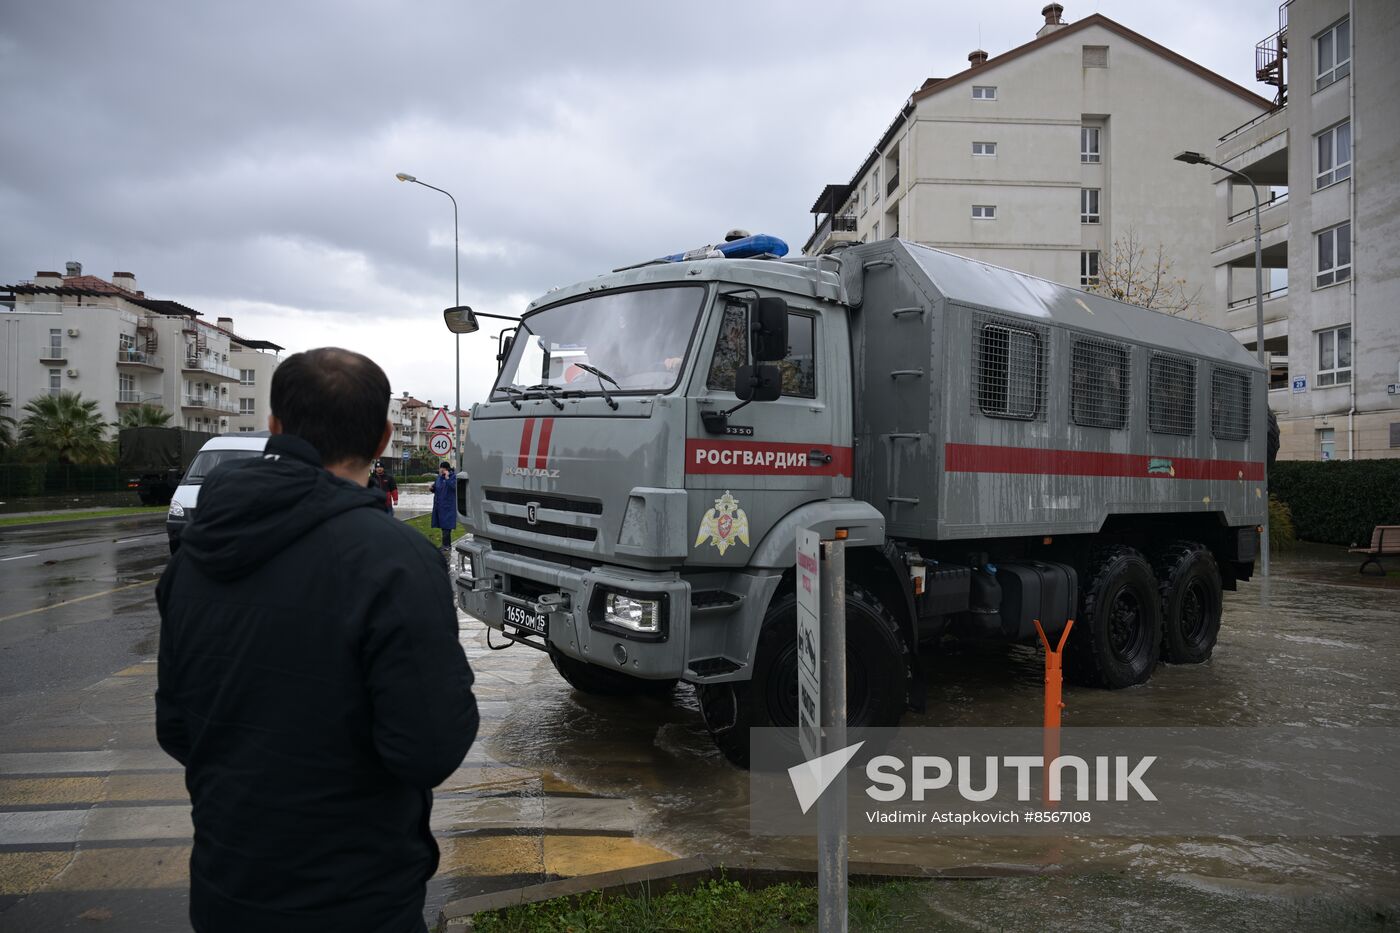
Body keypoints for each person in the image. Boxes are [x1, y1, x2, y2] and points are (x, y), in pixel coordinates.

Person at [155, 347, 477, 933]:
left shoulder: (193, 556)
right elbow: (429, 748)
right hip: (355, 897)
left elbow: (175, 727)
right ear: (382, 438)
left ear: (275, 428)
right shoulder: (395, 560)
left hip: (226, 886)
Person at [431, 460, 457, 553]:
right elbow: (437, 488)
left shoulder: (453, 477)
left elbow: (454, 487)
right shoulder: (439, 478)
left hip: (448, 506)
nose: (440, 470)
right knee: (443, 526)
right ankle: (446, 544)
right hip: (440, 506)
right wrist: (432, 488)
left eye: (441, 468)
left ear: (445, 469)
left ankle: (446, 545)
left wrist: (447, 478)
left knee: (447, 526)